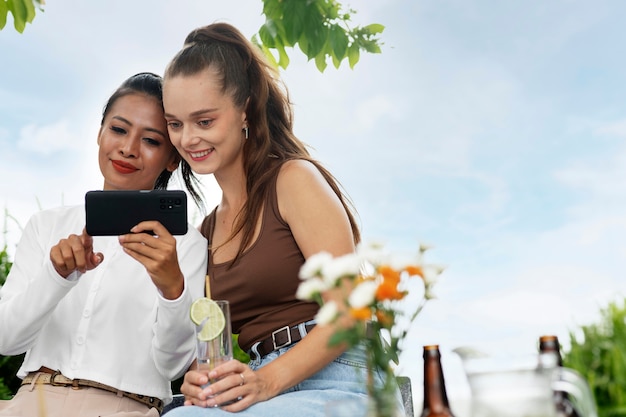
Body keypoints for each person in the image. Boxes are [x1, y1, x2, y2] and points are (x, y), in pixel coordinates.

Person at [161, 23, 405, 416]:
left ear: (245, 108)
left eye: (204, 121)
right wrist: (198, 377)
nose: (188, 139)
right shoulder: (205, 231)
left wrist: (267, 381)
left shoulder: (293, 180)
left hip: (341, 375)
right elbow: (211, 341)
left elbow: (347, 315)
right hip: (259, 381)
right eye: (175, 124)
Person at [0, 72, 207, 417]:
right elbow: (7, 339)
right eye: (119, 129)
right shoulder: (46, 226)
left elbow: (173, 368)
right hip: (30, 403)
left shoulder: (185, 244)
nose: (128, 148)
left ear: (173, 158)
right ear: (99, 132)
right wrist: (56, 276)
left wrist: (172, 288)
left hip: (127, 409)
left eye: (152, 140)